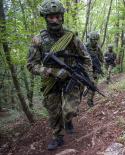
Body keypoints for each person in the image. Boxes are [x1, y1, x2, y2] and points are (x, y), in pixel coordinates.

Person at [27, 0, 93, 150]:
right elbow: (31, 65)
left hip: (71, 77)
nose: (55, 20)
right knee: (53, 112)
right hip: (50, 80)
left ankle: (68, 119)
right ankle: (57, 137)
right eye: (51, 17)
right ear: (45, 17)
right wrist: (51, 71)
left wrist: (88, 77)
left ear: (62, 17)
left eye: (57, 16)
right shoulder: (38, 40)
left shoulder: (71, 37)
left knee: (69, 110)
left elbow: (86, 58)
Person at [85, 31, 103, 107]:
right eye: (93, 40)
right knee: (79, 87)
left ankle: (90, 101)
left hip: (94, 70)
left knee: (93, 85)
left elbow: (101, 59)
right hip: (84, 69)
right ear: (90, 39)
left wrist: (99, 66)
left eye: (96, 40)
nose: (95, 41)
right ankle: (76, 105)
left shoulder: (97, 48)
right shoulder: (84, 47)